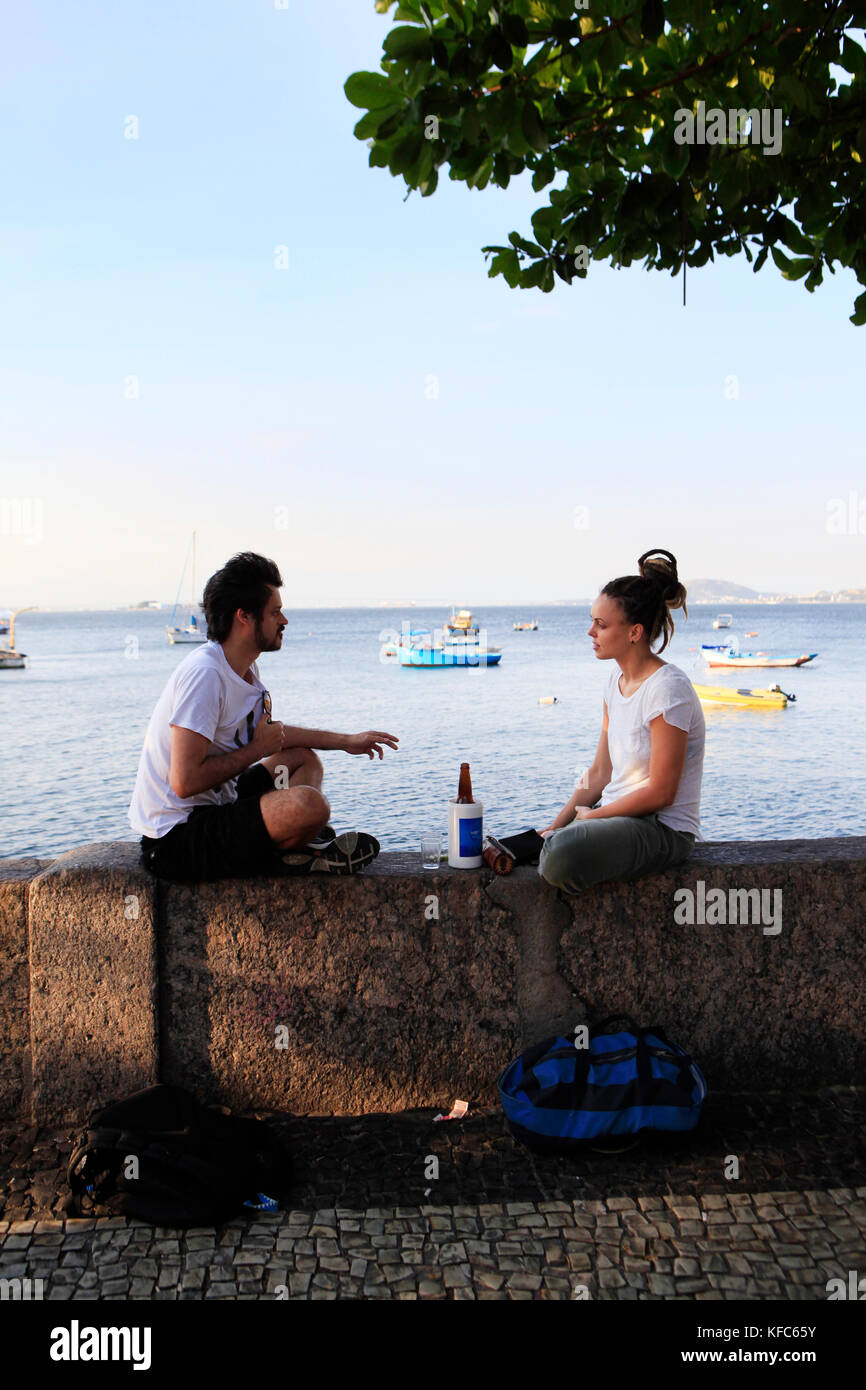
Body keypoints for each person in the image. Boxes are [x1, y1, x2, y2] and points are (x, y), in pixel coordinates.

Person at [129, 551, 398, 881]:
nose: (284, 621)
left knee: (302, 760)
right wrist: (256, 752)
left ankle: (294, 850)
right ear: (244, 617)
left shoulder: (244, 672)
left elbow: (275, 736)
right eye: (275, 613)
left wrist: (346, 741)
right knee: (311, 807)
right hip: (177, 841)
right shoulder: (205, 675)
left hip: (218, 808)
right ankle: (287, 851)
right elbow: (184, 782)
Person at [537, 548, 704, 896]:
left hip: (662, 829)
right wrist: (555, 824)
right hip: (618, 817)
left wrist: (592, 818)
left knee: (559, 858)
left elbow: (662, 791)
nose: (590, 632)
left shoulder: (668, 689)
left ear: (634, 632)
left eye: (601, 624)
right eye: (592, 621)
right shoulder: (615, 683)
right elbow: (600, 772)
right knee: (545, 843)